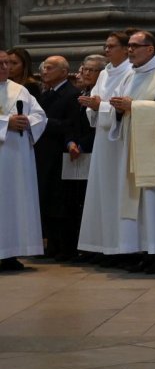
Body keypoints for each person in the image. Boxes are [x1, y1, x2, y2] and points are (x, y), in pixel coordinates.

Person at [108, 31, 155, 274]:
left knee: (154, 202)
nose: (129, 50)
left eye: (135, 46)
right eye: (128, 46)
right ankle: (144, 251)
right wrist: (119, 110)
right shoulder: (131, 75)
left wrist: (134, 107)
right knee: (137, 203)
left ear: (150, 49)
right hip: (134, 149)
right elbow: (121, 109)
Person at [77, 33, 135, 263]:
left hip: (119, 141)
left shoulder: (131, 72)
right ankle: (101, 245)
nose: (107, 50)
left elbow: (122, 107)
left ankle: (120, 247)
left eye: (111, 46)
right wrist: (93, 107)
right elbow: (97, 103)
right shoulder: (104, 73)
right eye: (105, 46)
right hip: (102, 138)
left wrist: (98, 105)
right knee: (101, 192)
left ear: (124, 49)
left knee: (117, 192)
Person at [0, 46, 46, 271]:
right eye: (0, 63)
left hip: (17, 158)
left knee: (14, 203)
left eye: (7, 63)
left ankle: (10, 253)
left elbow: (40, 116)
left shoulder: (20, 90)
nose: (5, 67)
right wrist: (5, 123)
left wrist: (28, 121)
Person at [32, 56, 81, 260]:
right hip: (44, 153)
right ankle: (51, 245)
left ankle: (65, 247)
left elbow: (72, 125)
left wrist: (43, 122)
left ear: (63, 72)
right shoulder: (46, 94)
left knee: (61, 201)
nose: (44, 71)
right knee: (46, 199)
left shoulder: (71, 94)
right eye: (43, 68)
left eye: (50, 68)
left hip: (61, 153)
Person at [62, 55, 105, 261]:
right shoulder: (79, 94)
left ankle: (94, 247)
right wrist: (70, 142)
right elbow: (70, 123)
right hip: (75, 153)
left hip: (92, 151)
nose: (86, 73)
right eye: (84, 69)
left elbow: (96, 128)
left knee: (91, 200)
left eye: (92, 70)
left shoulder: (100, 96)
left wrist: (81, 145)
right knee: (76, 201)